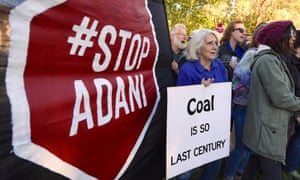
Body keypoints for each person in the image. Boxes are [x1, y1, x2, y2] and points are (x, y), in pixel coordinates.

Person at [241, 20, 300, 180]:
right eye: (290, 35)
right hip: (268, 129)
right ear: (279, 38)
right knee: (273, 173)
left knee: (253, 167)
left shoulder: (274, 60)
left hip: (268, 127)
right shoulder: (268, 61)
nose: (293, 39)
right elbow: (281, 97)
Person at [176, 28, 228, 180]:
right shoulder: (188, 69)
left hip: (214, 129)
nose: (215, 47)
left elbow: (224, 95)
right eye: (209, 43)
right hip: (192, 131)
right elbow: (181, 103)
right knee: (185, 173)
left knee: (213, 167)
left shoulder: (219, 65)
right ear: (198, 47)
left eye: (216, 43)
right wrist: (199, 91)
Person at [223, 22, 267, 180]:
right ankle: (229, 176)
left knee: (250, 146)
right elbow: (241, 76)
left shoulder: (267, 56)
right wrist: (260, 86)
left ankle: (241, 173)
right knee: (241, 146)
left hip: (256, 108)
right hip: (243, 106)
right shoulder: (252, 53)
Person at [284, 30, 300, 179]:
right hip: (293, 107)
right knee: (294, 137)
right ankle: (289, 165)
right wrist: (296, 113)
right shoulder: (289, 61)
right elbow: (290, 88)